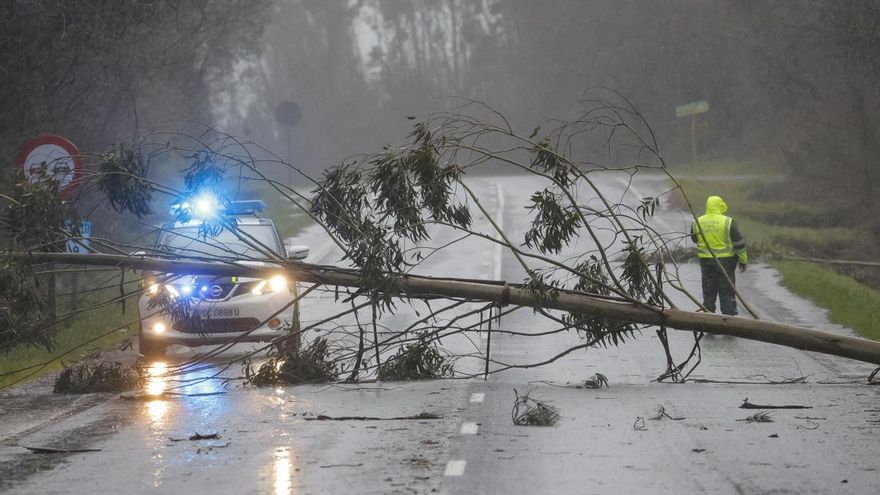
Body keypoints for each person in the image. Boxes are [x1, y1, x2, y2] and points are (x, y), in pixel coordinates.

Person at [690, 195, 747, 316]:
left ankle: (709, 318)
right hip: (726, 262)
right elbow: (739, 244)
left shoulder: (697, 222)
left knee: (709, 291)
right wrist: (743, 261)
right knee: (726, 291)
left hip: (706, 262)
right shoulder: (728, 222)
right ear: (721, 206)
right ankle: (728, 319)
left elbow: (695, 239)